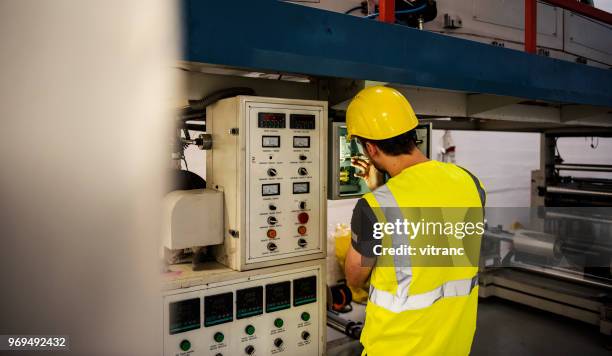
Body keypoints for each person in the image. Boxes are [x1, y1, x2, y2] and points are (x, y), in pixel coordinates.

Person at [344, 86, 486, 356]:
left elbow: (355, 276)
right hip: (454, 345)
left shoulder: (376, 206)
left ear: (371, 149)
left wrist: (378, 195)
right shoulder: (471, 183)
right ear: (412, 134)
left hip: (396, 348)